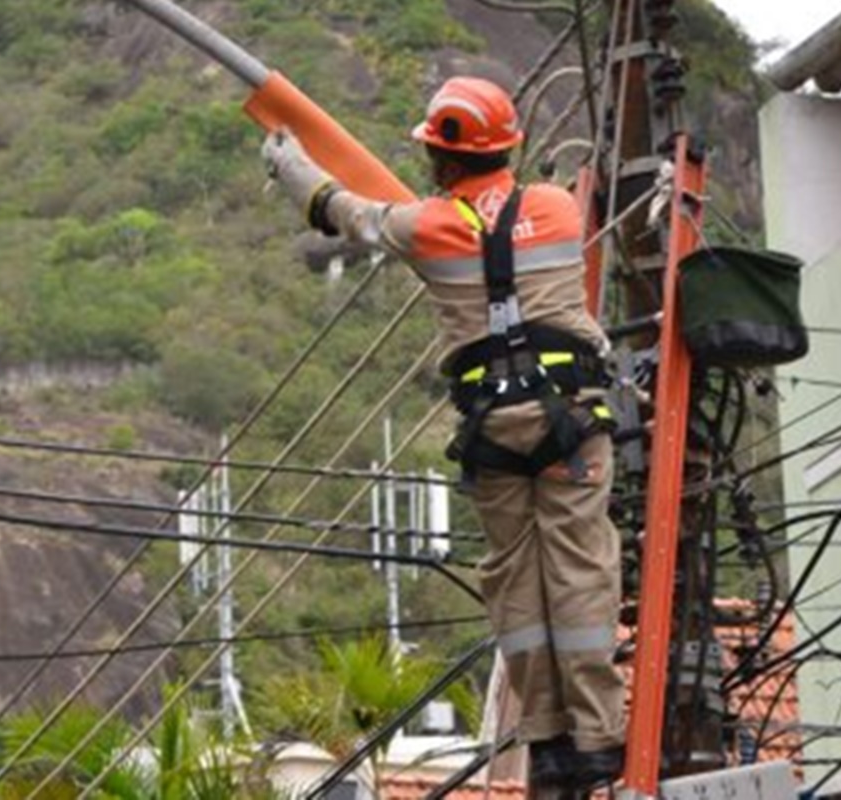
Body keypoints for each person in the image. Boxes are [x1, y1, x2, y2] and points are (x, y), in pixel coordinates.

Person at [261, 76, 626, 794]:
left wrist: (289, 162)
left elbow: (343, 212)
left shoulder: (425, 227)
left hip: (494, 432)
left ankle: (548, 738)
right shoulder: (555, 208)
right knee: (580, 572)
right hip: (570, 422)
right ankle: (598, 737)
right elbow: (507, 231)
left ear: (438, 156)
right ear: (509, 146)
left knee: (517, 585)